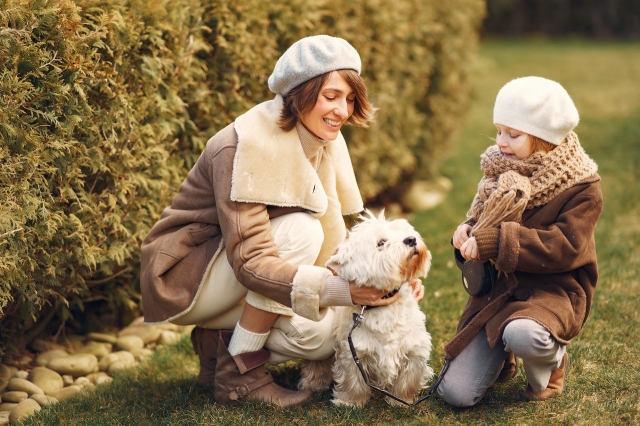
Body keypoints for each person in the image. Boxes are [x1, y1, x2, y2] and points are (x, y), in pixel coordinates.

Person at [140, 35, 423, 407]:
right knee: (302, 230)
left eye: (350, 99)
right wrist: (344, 292)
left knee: (322, 337)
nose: (342, 110)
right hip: (186, 275)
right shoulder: (246, 144)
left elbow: (334, 238)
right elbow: (252, 262)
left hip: (234, 275)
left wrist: (388, 282)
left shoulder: (323, 141)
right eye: (331, 96)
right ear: (299, 93)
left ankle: (217, 343)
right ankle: (239, 376)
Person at [437, 76, 603, 407]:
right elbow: (482, 223)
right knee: (454, 394)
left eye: (513, 134)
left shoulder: (583, 187)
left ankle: (551, 363)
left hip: (551, 291)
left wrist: (496, 240)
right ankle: (500, 351)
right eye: (498, 130)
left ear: (545, 138)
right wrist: (467, 233)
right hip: (497, 294)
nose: (500, 142)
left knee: (523, 334)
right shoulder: (499, 171)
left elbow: (563, 246)